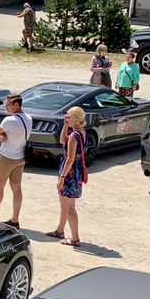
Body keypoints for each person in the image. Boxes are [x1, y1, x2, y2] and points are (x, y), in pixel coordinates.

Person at [0, 93, 31, 227]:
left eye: (8, 104)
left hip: (6, 158)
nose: (6, 106)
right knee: (16, 188)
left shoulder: (9, 120)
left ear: (16, 104)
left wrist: (3, 134)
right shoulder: (28, 118)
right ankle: (15, 220)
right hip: (20, 157)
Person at [48, 106, 87, 247]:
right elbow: (61, 140)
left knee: (69, 207)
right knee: (64, 204)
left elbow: (70, 159)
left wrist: (62, 178)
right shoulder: (81, 132)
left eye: (69, 117)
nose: (66, 118)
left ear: (75, 120)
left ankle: (75, 238)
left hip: (69, 172)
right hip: (75, 172)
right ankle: (60, 230)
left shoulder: (73, 137)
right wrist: (65, 126)